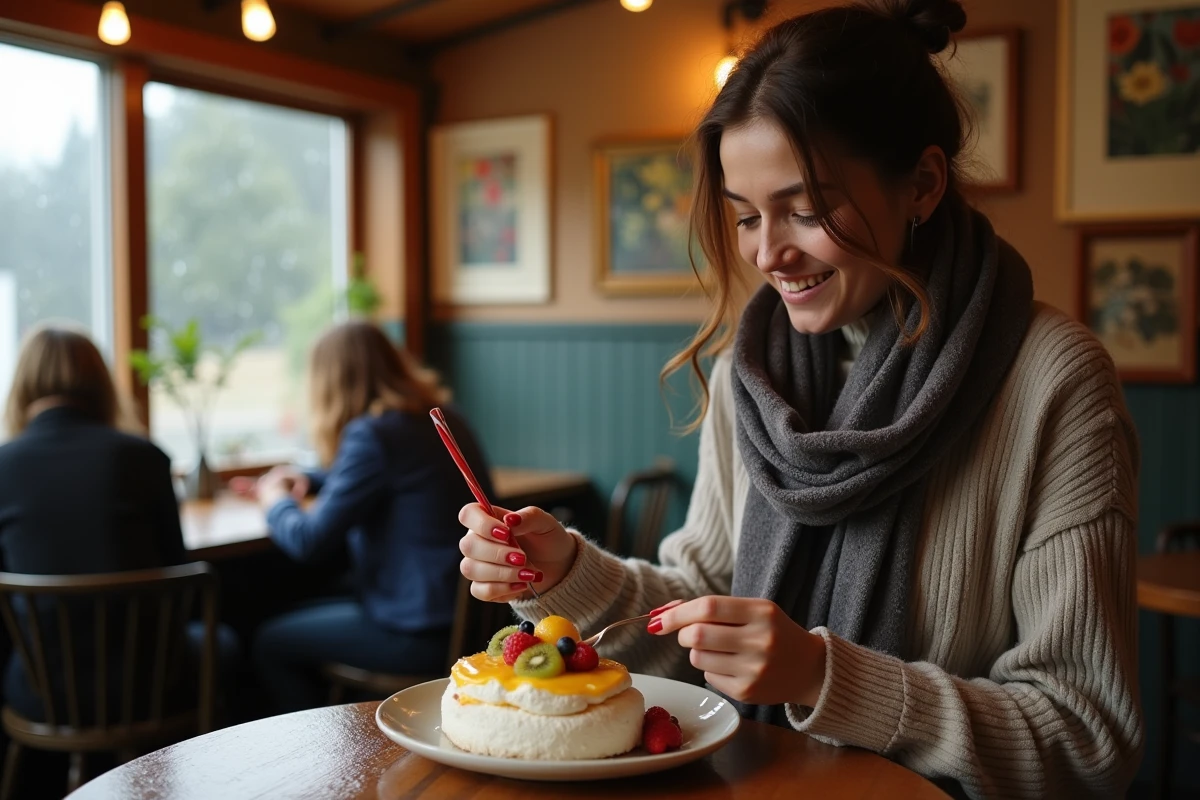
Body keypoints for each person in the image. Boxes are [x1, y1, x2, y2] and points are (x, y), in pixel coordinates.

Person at [454, 1, 1143, 797]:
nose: (769, 253)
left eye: (806, 210)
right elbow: (699, 621)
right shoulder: (752, 375)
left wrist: (822, 675)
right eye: (747, 216)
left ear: (921, 184)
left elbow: (1088, 738)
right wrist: (568, 570)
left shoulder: (1056, 382)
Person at [247, 322, 494, 712]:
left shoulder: (373, 435)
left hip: (417, 634)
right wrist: (309, 478)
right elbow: (377, 477)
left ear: (330, 383)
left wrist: (273, 499)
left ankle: (311, 756)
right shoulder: (442, 419)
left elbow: (308, 541)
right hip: (467, 621)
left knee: (268, 640)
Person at [0, 325, 213, 721]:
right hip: (149, 682)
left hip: (43, 689)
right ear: (101, 384)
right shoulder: (144, 458)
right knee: (223, 644)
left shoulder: (3, 465)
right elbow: (178, 572)